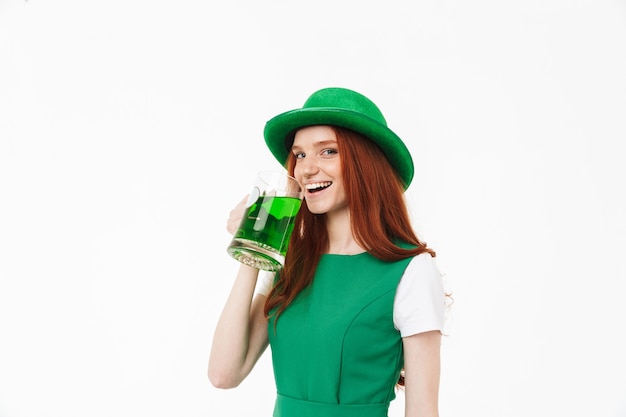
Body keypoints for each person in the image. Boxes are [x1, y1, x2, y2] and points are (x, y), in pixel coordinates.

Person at [209, 87, 447, 417]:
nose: (306, 169)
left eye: (328, 151)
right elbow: (224, 374)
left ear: (367, 163)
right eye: (300, 154)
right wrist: (252, 249)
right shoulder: (291, 262)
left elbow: (423, 411)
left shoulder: (411, 271)